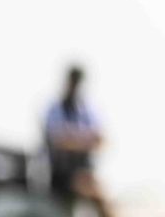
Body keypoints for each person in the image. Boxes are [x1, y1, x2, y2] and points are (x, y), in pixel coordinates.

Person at [43, 65, 114, 217]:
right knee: (94, 193)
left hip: (84, 171)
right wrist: (85, 140)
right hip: (61, 174)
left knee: (101, 197)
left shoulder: (86, 110)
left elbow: (102, 140)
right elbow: (59, 140)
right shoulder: (55, 109)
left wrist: (75, 139)